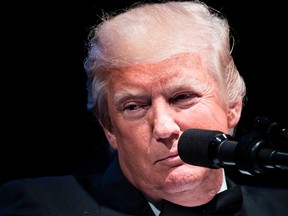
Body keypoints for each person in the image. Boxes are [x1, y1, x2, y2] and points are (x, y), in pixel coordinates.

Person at [0, 1, 287, 215]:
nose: (163, 128)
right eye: (135, 106)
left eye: (182, 97)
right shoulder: (37, 205)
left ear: (232, 107)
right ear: (110, 129)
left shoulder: (280, 206)